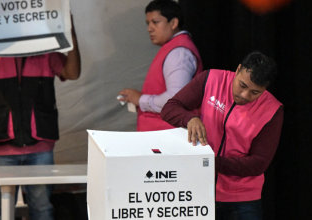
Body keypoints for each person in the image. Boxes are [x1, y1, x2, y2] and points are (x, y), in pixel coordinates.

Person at [0, 18, 81, 220]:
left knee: (42, 209)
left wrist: (72, 38)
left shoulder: (45, 50)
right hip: (3, 148)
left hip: (40, 147)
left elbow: (72, 73)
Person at [161, 51, 283, 220]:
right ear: (238, 69)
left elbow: (258, 164)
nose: (244, 95)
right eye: (242, 85)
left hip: (242, 199)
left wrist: (209, 162)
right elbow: (170, 108)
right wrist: (190, 119)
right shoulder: (211, 79)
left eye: (255, 93)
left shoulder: (273, 110)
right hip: (198, 189)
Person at [118, 0, 202, 131]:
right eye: (148, 23)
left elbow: (175, 99)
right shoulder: (173, 48)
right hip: (162, 137)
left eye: (155, 22)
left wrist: (141, 100)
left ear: (173, 23)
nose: (149, 28)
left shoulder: (179, 53)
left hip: (167, 138)